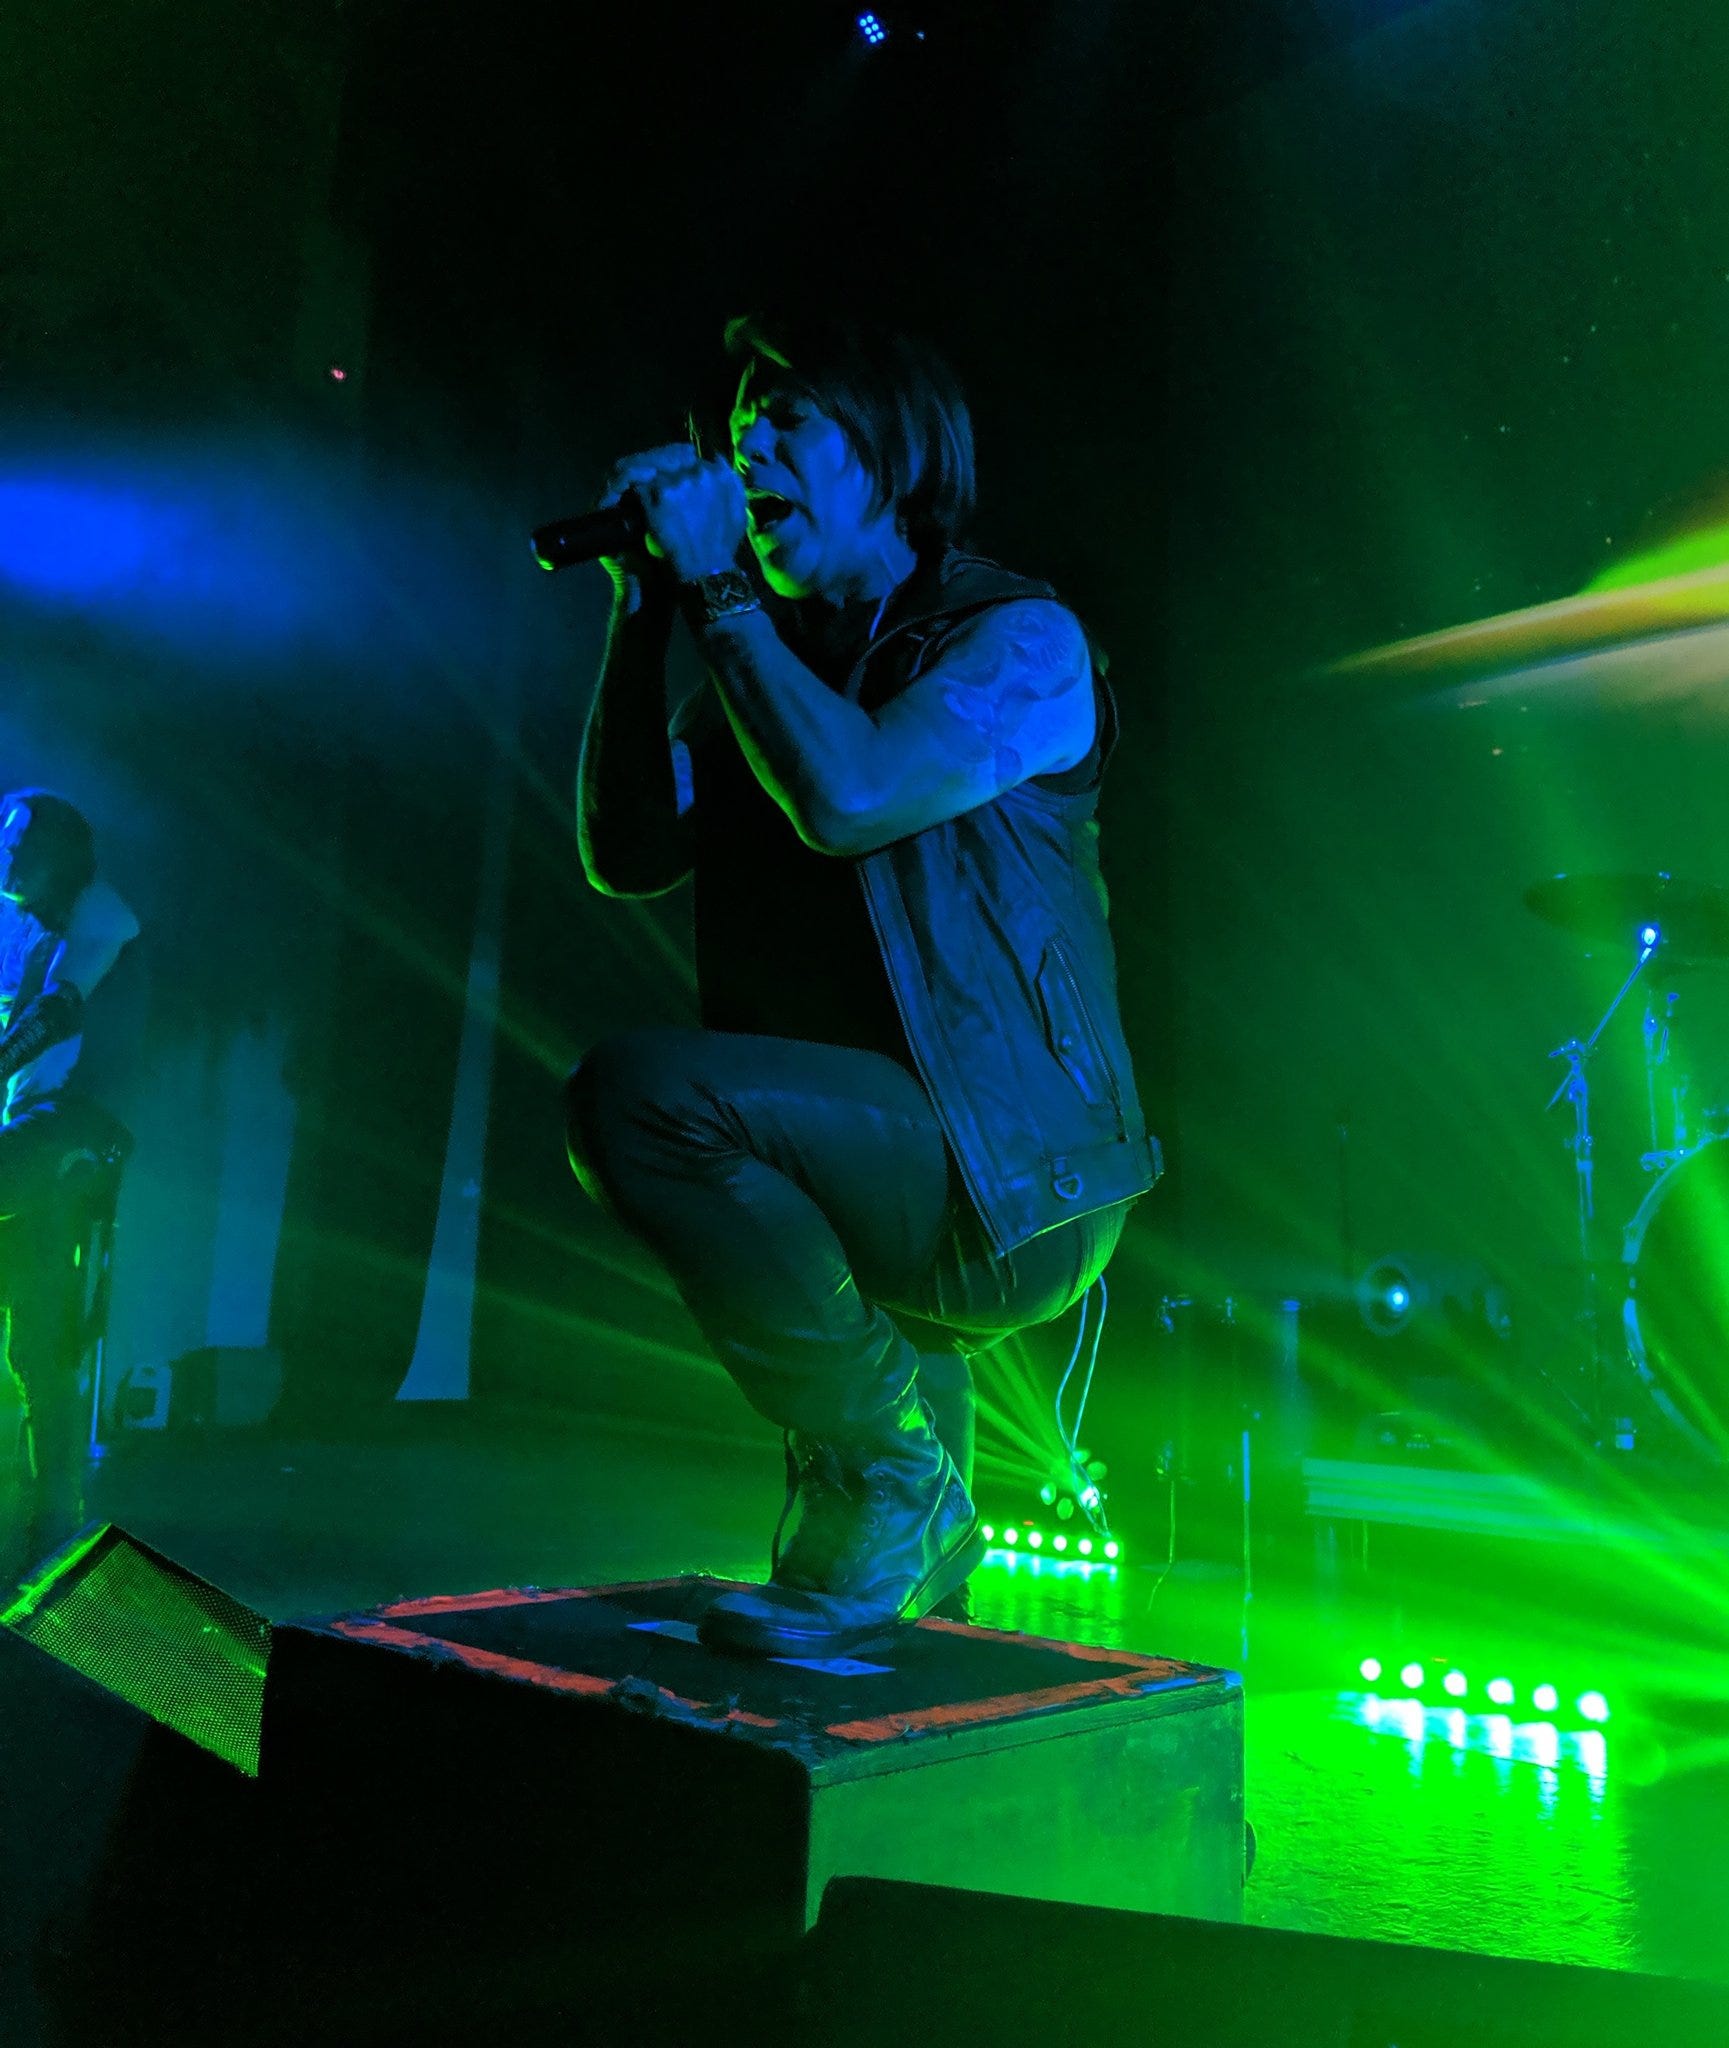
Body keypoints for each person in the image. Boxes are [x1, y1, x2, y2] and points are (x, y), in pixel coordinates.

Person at [566, 314, 1159, 1659]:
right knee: (879, 1640)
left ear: (892, 450)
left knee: (641, 1097)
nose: (744, 454)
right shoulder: (760, 673)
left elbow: (854, 794)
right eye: (733, 434)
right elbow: (626, 854)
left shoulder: (1017, 639)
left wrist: (719, 589)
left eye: (785, 423)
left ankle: (893, 1469)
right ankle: (901, 1557)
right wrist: (644, 607)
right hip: (865, 1169)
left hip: (1007, 1174)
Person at [0, 790, 139, 1581]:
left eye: (19, 841)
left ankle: (56, 1530)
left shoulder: (101, 913)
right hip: (36, 1134)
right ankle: (53, 1531)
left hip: (69, 1130)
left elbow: (57, 1012)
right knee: (36, 1341)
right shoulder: (23, 922)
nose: (5, 854)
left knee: (42, 1341)